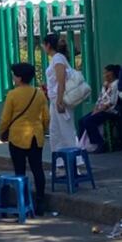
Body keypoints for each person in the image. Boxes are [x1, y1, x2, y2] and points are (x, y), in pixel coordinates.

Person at [0, 62, 50, 215]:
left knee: (20, 171)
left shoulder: (12, 95)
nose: (13, 78)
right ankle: (40, 202)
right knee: (37, 169)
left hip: (17, 136)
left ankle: (23, 202)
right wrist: (42, 129)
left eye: (14, 75)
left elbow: (5, 118)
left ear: (19, 78)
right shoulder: (39, 93)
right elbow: (46, 117)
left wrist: (2, 133)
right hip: (36, 136)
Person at [44, 33, 79, 171]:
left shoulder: (58, 58)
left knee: (66, 132)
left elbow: (61, 81)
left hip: (60, 100)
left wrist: (59, 101)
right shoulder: (57, 58)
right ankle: (61, 165)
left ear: (48, 45)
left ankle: (73, 165)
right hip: (56, 100)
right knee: (55, 132)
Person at [78, 64, 119, 153]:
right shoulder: (105, 85)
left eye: (107, 73)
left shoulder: (116, 84)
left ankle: (99, 143)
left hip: (110, 111)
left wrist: (99, 110)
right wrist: (95, 109)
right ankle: (82, 144)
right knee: (82, 121)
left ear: (112, 73)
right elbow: (100, 98)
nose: (105, 75)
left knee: (89, 121)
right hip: (100, 110)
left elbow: (112, 102)